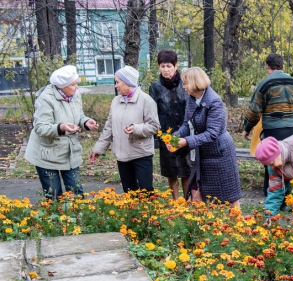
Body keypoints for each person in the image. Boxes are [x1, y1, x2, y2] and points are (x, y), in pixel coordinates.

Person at [241, 53, 293, 199]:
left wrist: (247, 128)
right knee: (289, 160)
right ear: (282, 65)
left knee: (272, 162)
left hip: (272, 130)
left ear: (268, 66)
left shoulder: (264, 84)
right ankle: (288, 197)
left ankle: (271, 195)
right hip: (291, 130)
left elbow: (254, 111)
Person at [24, 65, 99, 199]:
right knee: (53, 197)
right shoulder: (46, 99)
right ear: (62, 86)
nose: (77, 88)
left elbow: (78, 115)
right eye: (73, 85)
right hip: (46, 155)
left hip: (70, 153)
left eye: (77, 84)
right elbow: (40, 127)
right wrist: (61, 128)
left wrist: (86, 122)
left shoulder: (75, 95)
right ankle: (55, 220)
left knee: (77, 194)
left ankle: (78, 219)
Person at [173, 67, 241, 207]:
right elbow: (187, 123)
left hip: (220, 153)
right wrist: (174, 138)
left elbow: (212, 133)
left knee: (229, 195)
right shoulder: (191, 98)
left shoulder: (214, 101)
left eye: (185, 83)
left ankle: (236, 225)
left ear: (194, 83)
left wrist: (186, 141)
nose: (183, 86)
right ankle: (200, 225)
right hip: (202, 153)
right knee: (197, 191)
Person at [89, 66, 160, 193]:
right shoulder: (116, 101)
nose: (116, 86)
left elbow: (154, 127)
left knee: (146, 191)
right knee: (129, 192)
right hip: (122, 154)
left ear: (128, 82)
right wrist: (98, 149)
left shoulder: (146, 101)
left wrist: (136, 128)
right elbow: (109, 127)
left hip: (141, 154)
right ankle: (132, 213)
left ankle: (149, 212)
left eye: (117, 82)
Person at [149, 50, 191, 199]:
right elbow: (152, 113)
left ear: (176, 66)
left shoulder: (185, 84)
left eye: (168, 66)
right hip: (166, 136)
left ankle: (186, 201)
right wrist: (156, 138)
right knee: (172, 172)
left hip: (186, 134)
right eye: (162, 66)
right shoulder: (155, 87)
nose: (165, 70)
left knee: (186, 170)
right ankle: (175, 202)